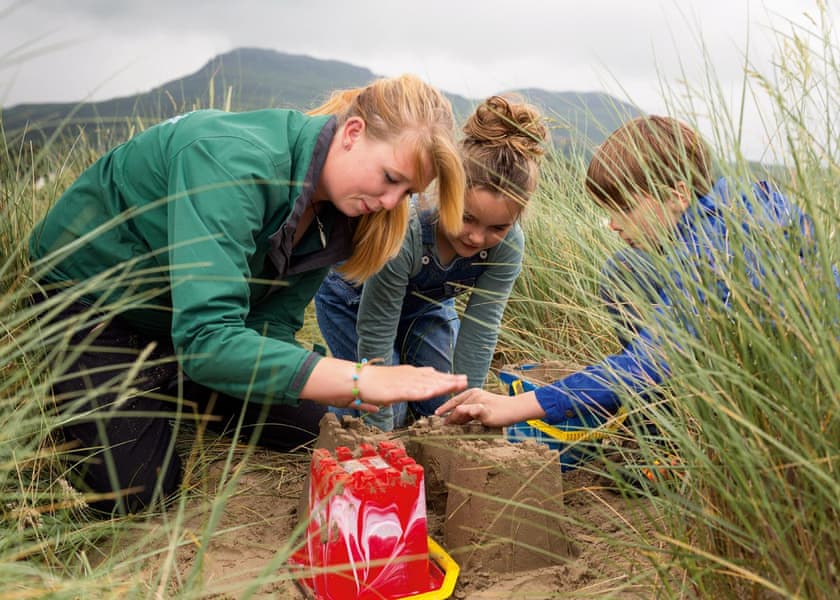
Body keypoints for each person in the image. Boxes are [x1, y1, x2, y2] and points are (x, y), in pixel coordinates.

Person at [27, 74, 469, 515]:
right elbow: (206, 339)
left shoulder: (340, 206)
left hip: (184, 321)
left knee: (314, 426)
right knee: (139, 493)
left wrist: (337, 386)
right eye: (390, 178)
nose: (392, 202)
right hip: (94, 303)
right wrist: (355, 378)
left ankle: (177, 378)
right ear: (352, 133)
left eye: (406, 192)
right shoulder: (232, 162)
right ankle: (145, 382)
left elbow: (271, 323)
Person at [436, 115, 831, 431]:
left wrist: (518, 406)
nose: (612, 224)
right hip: (767, 356)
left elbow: (648, 363)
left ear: (676, 195)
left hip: (812, 378)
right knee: (626, 270)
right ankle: (664, 420)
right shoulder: (726, 206)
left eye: (623, 209)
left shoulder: (717, 246)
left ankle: (670, 437)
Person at [314, 95, 547, 431]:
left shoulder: (508, 246)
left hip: (426, 309)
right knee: (386, 415)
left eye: (497, 227)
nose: (477, 238)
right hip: (353, 304)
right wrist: (379, 430)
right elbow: (376, 327)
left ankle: (404, 375)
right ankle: (321, 377)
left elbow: (481, 330)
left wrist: (468, 412)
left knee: (441, 405)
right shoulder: (407, 231)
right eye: (467, 218)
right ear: (446, 193)